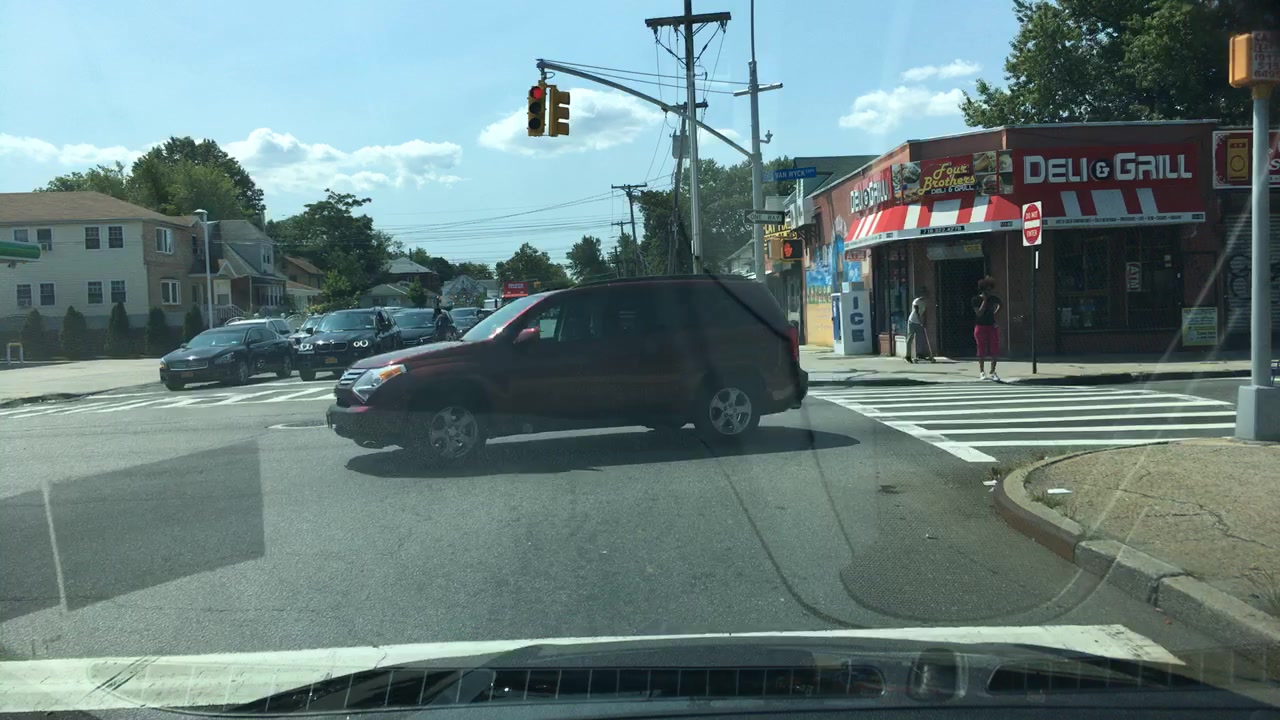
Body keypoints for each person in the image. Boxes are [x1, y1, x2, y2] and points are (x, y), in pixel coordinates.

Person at [972, 276, 1002, 381]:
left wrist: (995, 313)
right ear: (982, 290)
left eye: (990, 289)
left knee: (994, 349)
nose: (989, 292)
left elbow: (1000, 304)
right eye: (987, 290)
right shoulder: (976, 300)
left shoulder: (993, 298)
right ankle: (981, 371)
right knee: (981, 349)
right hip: (980, 326)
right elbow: (979, 313)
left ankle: (993, 371)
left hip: (991, 326)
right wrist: (984, 301)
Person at [905, 286, 928, 363]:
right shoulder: (916, 301)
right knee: (910, 337)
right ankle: (908, 356)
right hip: (912, 321)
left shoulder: (924, 303)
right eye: (923, 294)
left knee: (920, 338)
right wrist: (921, 321)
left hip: (919, 322)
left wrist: (924, 322)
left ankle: (919, 353)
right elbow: (916, 312)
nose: (924, 296)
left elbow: (924, 313)